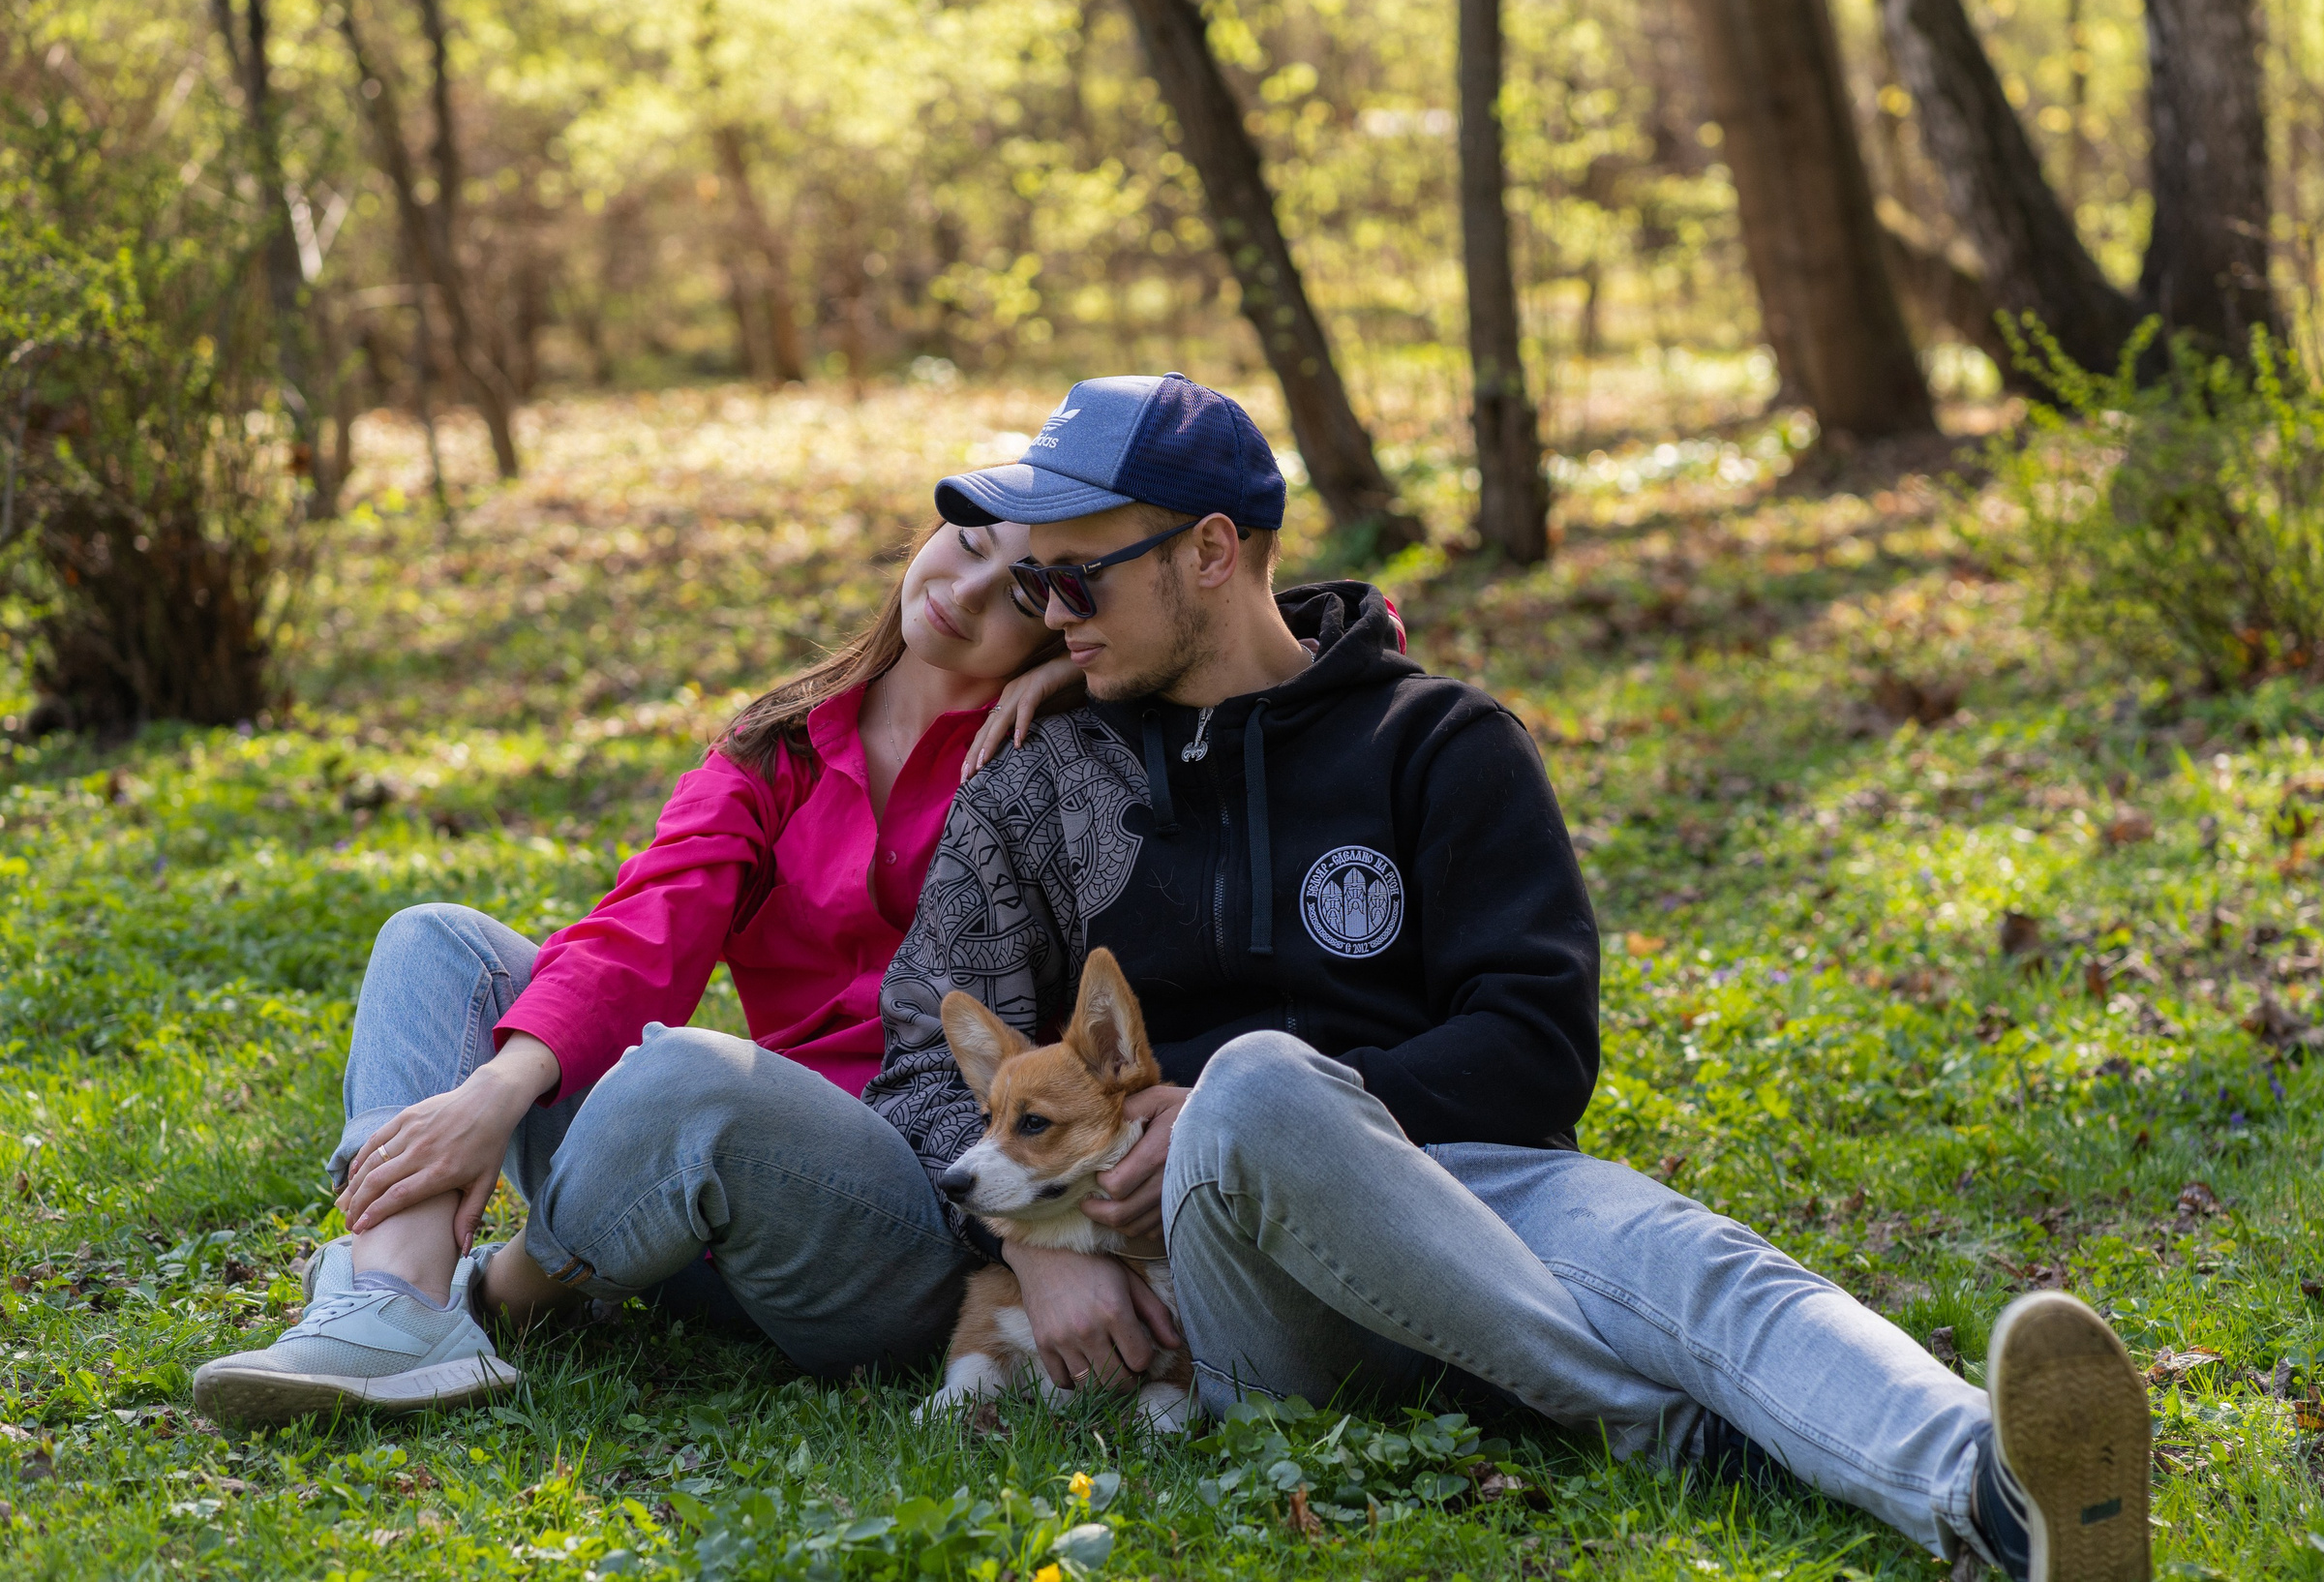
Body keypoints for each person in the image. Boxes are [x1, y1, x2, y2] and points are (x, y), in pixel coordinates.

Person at [865, 371, 2152, 1582]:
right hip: (1209, 1280)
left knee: (1692, 1253)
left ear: (1211, 549)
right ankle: (1651, 1423)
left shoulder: (1439, 743)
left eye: (1079, 582)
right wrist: (1033, 1245)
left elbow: (1536, 1046)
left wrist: (1298, 1108)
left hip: (1471, 1183)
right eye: (1040, 590)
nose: (1053, 620)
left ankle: (1990, 1487)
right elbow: (924, 1056)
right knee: (1254, 1082)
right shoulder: (1039, 781)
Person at [192, 517, 1082, 1429]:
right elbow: (649, 922)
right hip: (700, 1208)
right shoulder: (786, 741)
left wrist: (1083, 683)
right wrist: (497, 1089)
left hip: (900, 1225)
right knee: (438, 942)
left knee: (693, 1077)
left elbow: (1218, 689)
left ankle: (497, 1293)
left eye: (1021, 591)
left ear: (1060, 623)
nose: (967, 589)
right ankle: (395, 1291)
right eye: (968, 542)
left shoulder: (1060, 758)